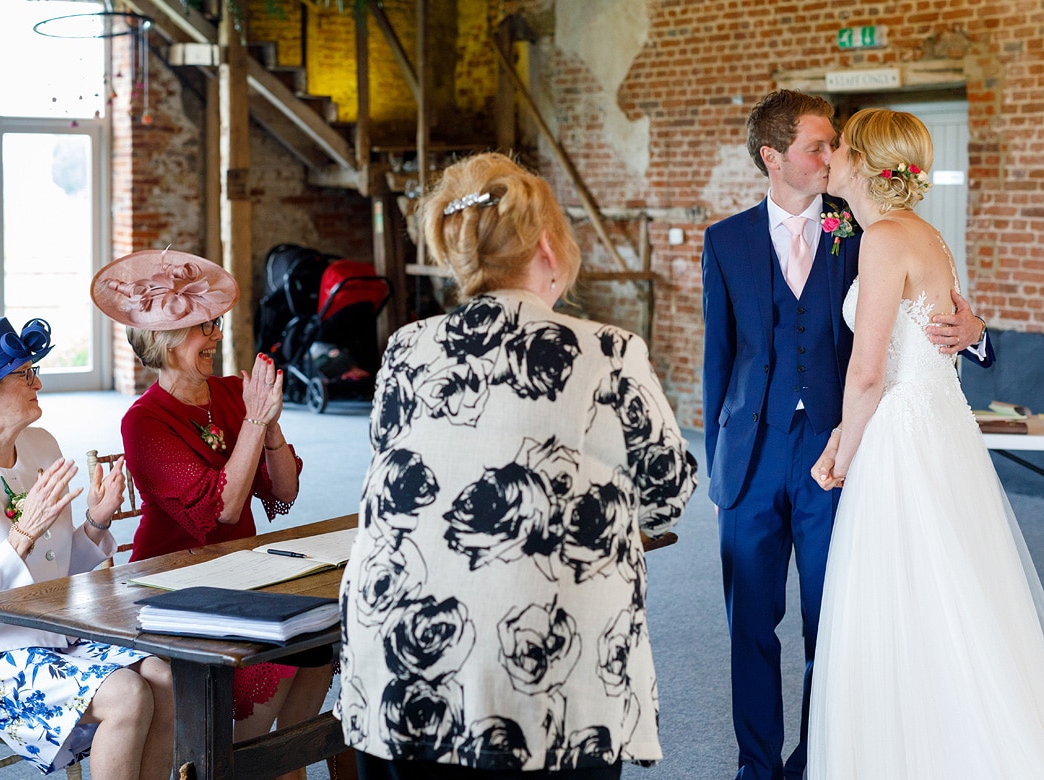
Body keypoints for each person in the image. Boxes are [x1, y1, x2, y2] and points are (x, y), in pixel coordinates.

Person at [333, 151, 698, 780]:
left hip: (399, 662)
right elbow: (665, 495)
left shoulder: (404, 348)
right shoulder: (606, 351)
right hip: (537, 680)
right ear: (550, 249)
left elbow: (401, 470)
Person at [700, 90, 992, 780]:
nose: (832, 156)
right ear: (773, 158)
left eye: (836, 144)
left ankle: (820, 758)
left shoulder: (866, 226)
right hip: (750, 457)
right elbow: (720, 355)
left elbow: (934, 308)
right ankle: (757, 764)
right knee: (749, 627)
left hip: (841, 452)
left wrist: (973, 334)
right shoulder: (725, 240)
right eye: (816, 146)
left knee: (833, 624)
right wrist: (718, 464)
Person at [806, 107, 1044, 777]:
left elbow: (870, 369)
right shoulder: (926, 234)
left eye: (841, 147)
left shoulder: (882, 237)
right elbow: (936, 344)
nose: (831, 157)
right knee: (946, 589)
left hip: (902, 437)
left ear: (861, 163)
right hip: (938, 428)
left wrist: (842, 455)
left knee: (900, 595)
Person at [91, 248, 334, 759]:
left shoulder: (230, 391)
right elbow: (221, 508)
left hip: (241, 572)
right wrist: (253, 420)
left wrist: (268, 424)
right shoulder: (143, 420)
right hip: (171, 581)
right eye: (205, 328)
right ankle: (235, 760)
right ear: (166, 340)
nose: (218, 337)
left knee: (319, 646)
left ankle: (277, 762)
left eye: (216, 324)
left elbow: (285, 491)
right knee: (275, 660)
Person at [0, 317, 174, 779]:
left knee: (166, 677)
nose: (39, 382)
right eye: (24, 374)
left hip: (49, 630)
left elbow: (58, 570)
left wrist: (95, 521)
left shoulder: (41, 444)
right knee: (126, 693)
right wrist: (21, 535)